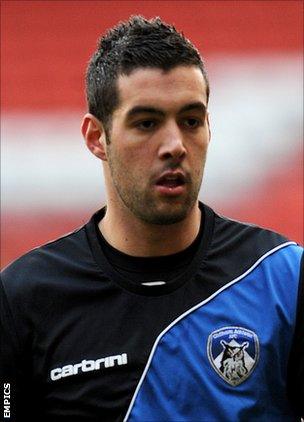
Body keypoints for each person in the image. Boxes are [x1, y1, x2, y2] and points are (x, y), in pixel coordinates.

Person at [1, 15, 303, 422]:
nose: (175, 145)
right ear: (96, 138)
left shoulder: (282, 276)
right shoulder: (24, 298)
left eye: (191, 121)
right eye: (147, 123)